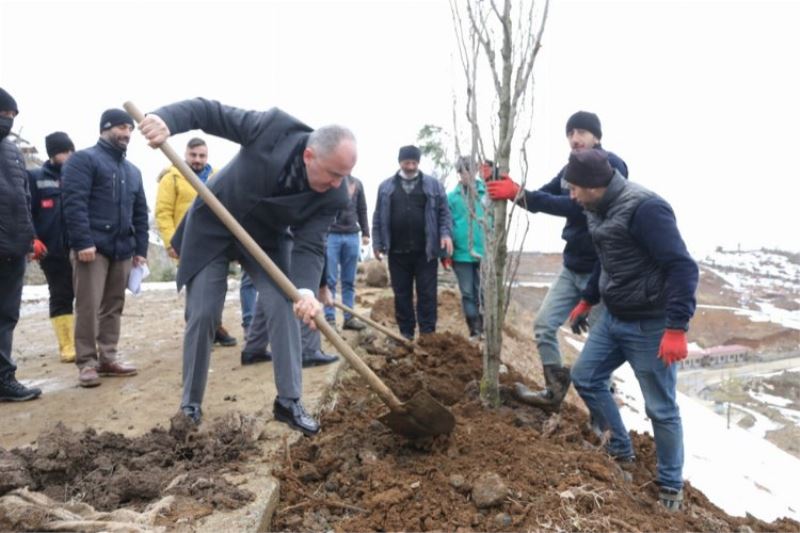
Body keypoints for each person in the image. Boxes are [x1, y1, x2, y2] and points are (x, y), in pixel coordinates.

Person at [138, 98, 354, 436]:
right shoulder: (273, 128)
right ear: (310, 156)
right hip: (214, 223)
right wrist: (165, 120)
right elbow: (209, 113)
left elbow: (310, 245)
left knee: (285, 302)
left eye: (345, 176)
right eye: (334, 174)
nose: (339, 184)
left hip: (267, 239)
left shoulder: (335, 195)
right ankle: (190, 405)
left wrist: (308, 291)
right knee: (205, 312)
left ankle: (289, 401)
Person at [564, 148, 697, 511]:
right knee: (586, 376)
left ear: (594, 185)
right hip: (612, 318)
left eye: (574, 188)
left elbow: (683, 268)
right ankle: (621, 450)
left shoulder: (646, 209)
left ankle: (670, 488)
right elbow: (606, 259)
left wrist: (676, 327)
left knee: (661, 408)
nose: (571, 196)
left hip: (650, 324)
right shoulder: (595, 209)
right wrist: (588, 298)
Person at [486, 111, 628, 410]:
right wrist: (508, 186)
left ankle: (602, 419)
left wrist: (520, 194)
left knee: (599, 347)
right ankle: (554, 390)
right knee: (544, 324)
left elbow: (575, 207)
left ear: (596, 136)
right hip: (572, 265)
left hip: (601, 271)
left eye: (582, 132)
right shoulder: (569, 169)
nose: (575, 139)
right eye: (570, 133)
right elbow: (542, 197)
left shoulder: (612, 166)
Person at [62, 109, 148, 388]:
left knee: (113, 306)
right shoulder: (83, 161)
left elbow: (139, 215)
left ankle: (108, 357)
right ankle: (87, 362)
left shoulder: (132, 171)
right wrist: (82, 241)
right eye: (121, 127)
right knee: (88, 306)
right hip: (92, 249)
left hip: (123, 249)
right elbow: (74, 203)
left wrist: (141, 250)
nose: (126, 134)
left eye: (130, 129)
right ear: (105, 128)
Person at [154, 137, 239, 347]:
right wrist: (170, 242)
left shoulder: (217, 175)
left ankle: (214, 326)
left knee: (217, 287)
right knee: (196, 290)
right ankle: (198, 331)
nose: (197, 160)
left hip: (215, 241)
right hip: (187, 244)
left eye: (202, 155)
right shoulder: (172, 178)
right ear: (185, 154)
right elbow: (163, 213)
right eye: (193, 155)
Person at [372, 145, 453, 340]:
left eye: (414, 162)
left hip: (426, 252)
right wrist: (377, 242)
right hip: (397, 253)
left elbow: (444, 212)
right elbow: (377, 217)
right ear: (399, 162)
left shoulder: (433, 185)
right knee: (401, 295)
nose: (410, 166)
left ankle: (428, 334)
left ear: (418, 162)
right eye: (407, 162)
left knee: (427, 294)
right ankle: (405, 333)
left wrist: (445, 234)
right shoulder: (385, 187)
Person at [0, 87, 42, 402]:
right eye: (4, 114)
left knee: (6, 316)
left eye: (12, 116)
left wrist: (29, 238)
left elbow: (24, 199)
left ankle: (4, 380)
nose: (8, 120)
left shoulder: (13, 153)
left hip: (14, 248)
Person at [28, 131, 77, 363]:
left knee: (87, 296)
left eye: (70, 151)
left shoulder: (78, 176)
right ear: (51, 154)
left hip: (79, 247)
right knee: (60, 295)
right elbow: (26, 212)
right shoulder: (35, 178)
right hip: (51, 249)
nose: (67, 156)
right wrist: (32, 238)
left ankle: (87, 340)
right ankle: (67, 345)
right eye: (62, 152)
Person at [241, 252, 338, 368]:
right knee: (307, 286)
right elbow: (316, 248)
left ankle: (254, 349)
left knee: (271, 286)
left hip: (270, 248)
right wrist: (323, 286)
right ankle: (309, 350)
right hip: (295, 246)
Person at [446, 156, 486, 340]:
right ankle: (474, 329)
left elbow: (494, 219)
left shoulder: (486, 192)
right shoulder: (451, 198)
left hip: (485, 252)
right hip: (461, 253)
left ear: (476, 170)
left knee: (484, 291)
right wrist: (446, 253)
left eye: (470, 170)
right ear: (459, 173)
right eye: (462, 171)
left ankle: (485, 327)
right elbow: (446, 224)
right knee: (468, 292)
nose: (466, 174)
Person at [324, 174, 370, 331]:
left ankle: (348, 317)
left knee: (349, 280)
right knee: (329, 279)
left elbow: (362, 209)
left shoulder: (357, 183)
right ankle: (329, 317)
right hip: (332, 234)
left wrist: (366, 232)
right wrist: (343, 194)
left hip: (352, 235)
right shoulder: (329, 180)